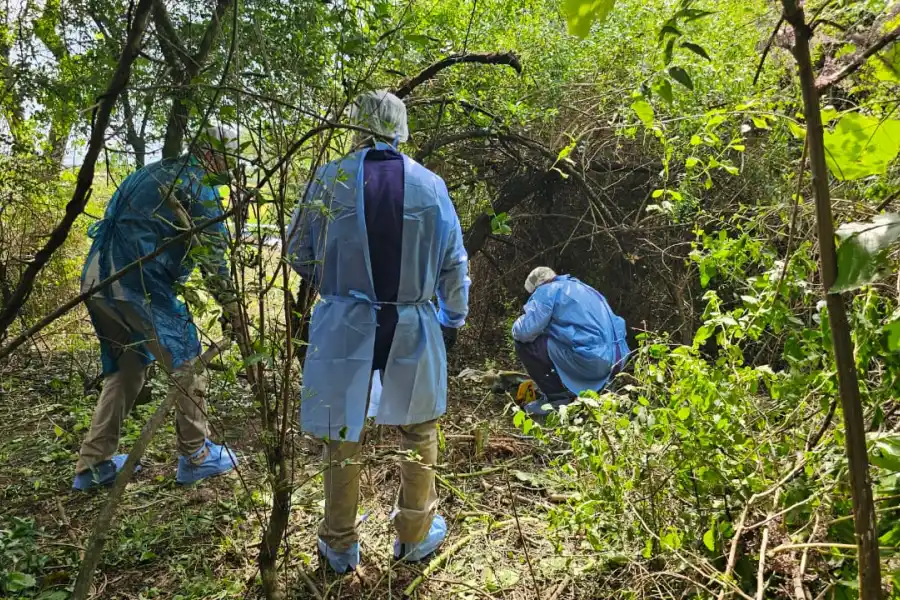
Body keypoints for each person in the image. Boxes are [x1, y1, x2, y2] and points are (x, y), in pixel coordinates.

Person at [287, 90, 469, 573]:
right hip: (412, 320)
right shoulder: (430, 185)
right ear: (400, 127)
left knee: (341, 428)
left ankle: (340, 541)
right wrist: (453, 318)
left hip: (344, 323)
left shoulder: (327, 178)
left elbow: (297, 251)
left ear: (356, 124)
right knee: (420, 426)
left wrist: (338, 283)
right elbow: (454, 265)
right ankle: (413, 535)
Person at [73, 125, 242, 491]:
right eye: (229, 158)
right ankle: (196, 456)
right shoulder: (199, 187)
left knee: (128, 366)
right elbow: (213, 257)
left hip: (96, 277)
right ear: (213, 155)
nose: (231, 168)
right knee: (186, 359)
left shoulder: (151, 171)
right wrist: (233, 307)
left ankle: (93, 465)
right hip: (138, 284)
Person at [512, 267, 628, 416]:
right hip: (619, 360)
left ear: (537, 287)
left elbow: (524, 332)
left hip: (592, 361)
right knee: (558, 341)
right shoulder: (583, 287)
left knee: (527, 345)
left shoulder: (547, 290)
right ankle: (599, 394)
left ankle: (556, 400)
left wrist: (517, 323)